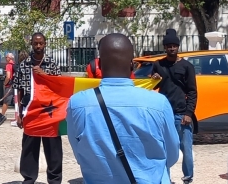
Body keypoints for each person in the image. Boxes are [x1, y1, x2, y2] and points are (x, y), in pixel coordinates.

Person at [68, 33, 179, 184]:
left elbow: (79, 155)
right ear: (132, 65)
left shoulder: (77, 103)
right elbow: (172, 155)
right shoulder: (159, 103)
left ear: (99, 65)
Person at [14, 33, 63, 184]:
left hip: (50, 113)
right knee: (29, 149)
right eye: (35, 43)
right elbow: (18, 89)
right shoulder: (24, 65)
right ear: (32, 44)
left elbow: (60, 86)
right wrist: (18, 113)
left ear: (45, 44)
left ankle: (54, 180)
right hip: (31, 113)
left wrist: (45, 74)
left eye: (41, 43)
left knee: (53, 149)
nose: (38, 46)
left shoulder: (52, 64)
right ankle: (29, 179)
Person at [151, 29, 197, 184]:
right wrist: (153, 79)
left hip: (182, 114)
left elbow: (192, 91)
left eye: (174, 45)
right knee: (165, 148)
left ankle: (188, 178)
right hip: (164, 115)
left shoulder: (187, 66)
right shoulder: (158, 65)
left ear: (178, 47)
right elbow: (150, 88)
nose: (171, 48)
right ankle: (166, 179)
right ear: (165, 47)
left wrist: (189, 113)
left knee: (186, 149)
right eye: (168, 45)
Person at [1, 52, 16, 125]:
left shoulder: (8, 65)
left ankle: (1, 115)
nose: (6, 58)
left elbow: (8, 76)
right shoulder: (14, 65)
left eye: (6, 57)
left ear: (9, 58)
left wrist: (5, 83)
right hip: (14, 85)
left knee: (6, 102)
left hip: (9, 86)